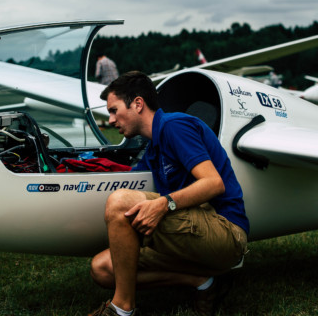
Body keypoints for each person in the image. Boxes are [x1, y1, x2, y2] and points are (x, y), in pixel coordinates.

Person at [88, 71, 249, 316]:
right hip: (191, 233)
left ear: (138, 104)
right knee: (103, 268)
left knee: (120, 203)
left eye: (113, 110)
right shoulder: (153, 148)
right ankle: (203, 281)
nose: (110, 120)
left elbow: (213, 183)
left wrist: (165, 204)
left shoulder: (174, 126)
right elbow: (127, 182)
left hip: (226, 232)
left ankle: (121, 309)